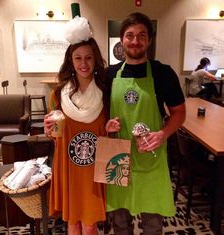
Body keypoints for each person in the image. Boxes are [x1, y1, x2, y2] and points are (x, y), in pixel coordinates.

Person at [105, 12, 186, 235]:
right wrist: (106, 125)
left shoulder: (163, 73)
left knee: (152, 224)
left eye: (142, 35)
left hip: (151, 154)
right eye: (130, 35)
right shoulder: (109, 75)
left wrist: (163, 133)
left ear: (149, 40)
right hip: (118, 157)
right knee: (120, 223)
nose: (135, 41)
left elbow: (179, 113)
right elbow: (99, 114)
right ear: (122, 40)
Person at [44, 16, 109, 235]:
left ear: (95, 59)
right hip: (68, 167)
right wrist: (49, 132)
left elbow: (109, 130)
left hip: (93, 169)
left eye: (88, 58)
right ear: (70, 61)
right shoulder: (57, 95)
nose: (83, 64)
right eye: (78, 58)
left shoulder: (106, 94)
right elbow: (55, 134)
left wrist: (112, 127)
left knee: (89, 223)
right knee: (72, 221)